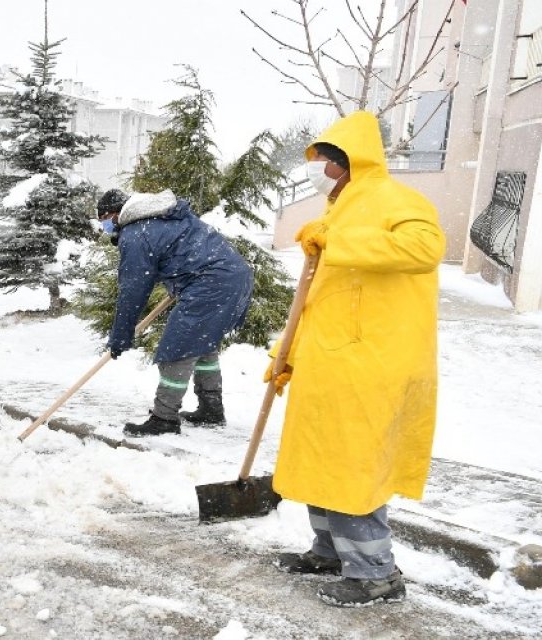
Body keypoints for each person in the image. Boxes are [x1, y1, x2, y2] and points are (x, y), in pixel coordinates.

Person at [269, 111, 445, 608]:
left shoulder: (396, 201)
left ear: (347, 160)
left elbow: (424, 247)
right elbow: (321, 297)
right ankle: (329, 552)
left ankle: (376, 574)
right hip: (331, 362)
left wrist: (339, 243)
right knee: (318, 465)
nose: (316, 167)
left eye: (323, 158)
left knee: (351, 469)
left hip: (371, 362)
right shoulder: (337, 210)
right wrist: (288, 355)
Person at [97, 188, 254, 437]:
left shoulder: (136, 232)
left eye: (103, 218)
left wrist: (120, 335)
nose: (104, 225)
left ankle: (164, 418)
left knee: (177, 348)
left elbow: (133, 289)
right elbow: (188, 250)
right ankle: (211, 409)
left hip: (211, 281)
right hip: (233, 275)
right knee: (201, 341)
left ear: (115, 214)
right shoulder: (164, 217)